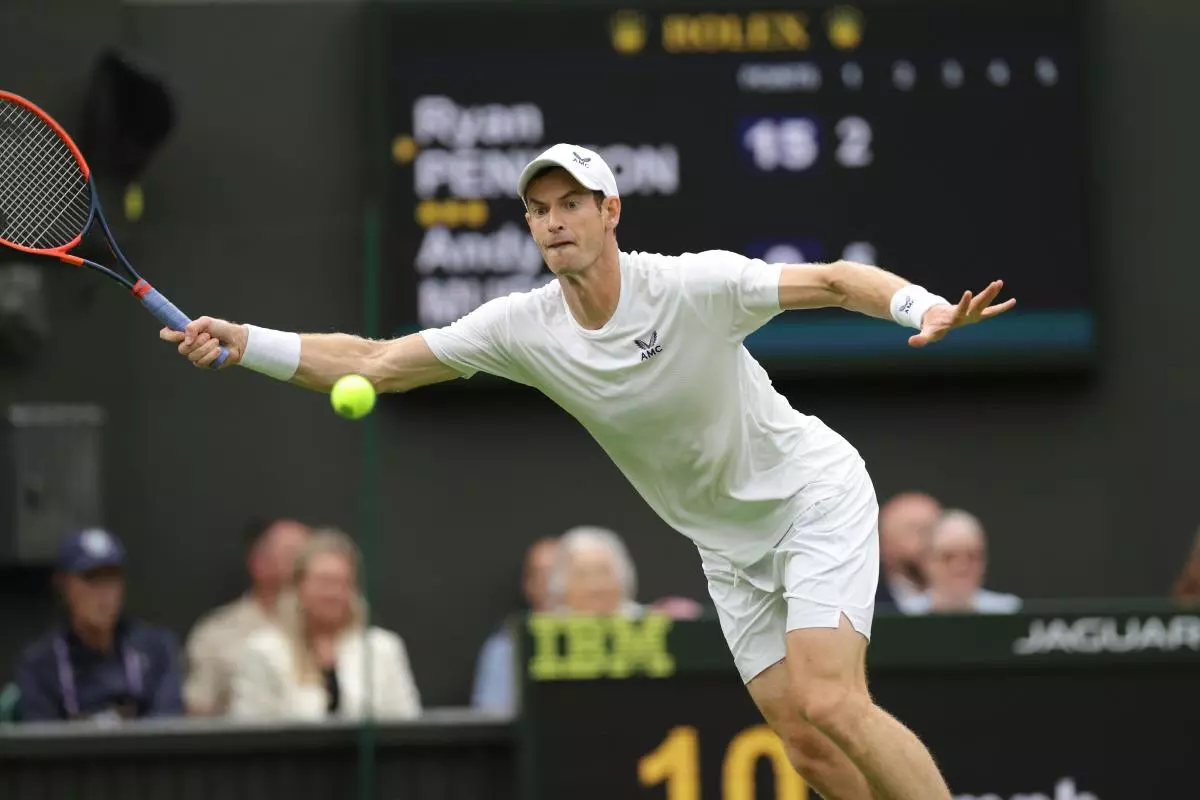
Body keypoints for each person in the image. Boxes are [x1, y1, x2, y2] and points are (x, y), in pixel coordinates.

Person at [162, 142, 1015, 799]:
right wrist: (245, 344)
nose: (554, 220)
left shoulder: (692, 286)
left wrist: (922, 306)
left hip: (811, 497)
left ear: (611, 212)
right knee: (806, 743)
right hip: (727, 549)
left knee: (832, 701)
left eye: (572, 203)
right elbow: (376, 362)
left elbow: (832, 281)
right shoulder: (521, 326)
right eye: (539, 209)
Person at [229, 528, 421, 721]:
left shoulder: (382, 649)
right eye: (323, 582)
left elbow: (406, 726)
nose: (332, 592)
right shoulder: (263, 651)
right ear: (298, 586)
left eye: (342, 582)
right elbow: (250, 732)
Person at [13, 529, 184, 723]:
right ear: (63, 585)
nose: (104, 593)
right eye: (92, 578)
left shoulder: (157, 648)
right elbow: (42, 743)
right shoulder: (40, 664)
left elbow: (167, 729)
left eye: (111, 577)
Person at [183, 516, 312, 716]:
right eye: (295, 556)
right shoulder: (215, 635)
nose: (307, 567)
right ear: (259, 563)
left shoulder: (327, 629)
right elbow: (198, 715)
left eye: (312, 557)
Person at [471, 535, 558, 714]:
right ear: (528, 585)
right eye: (541, 574)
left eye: (558, 573)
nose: (551, 583)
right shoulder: (506, 646)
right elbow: (491, 719)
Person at [905, 509, 1022, 615]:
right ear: (927, 562)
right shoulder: (906, 614)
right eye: (948, 557)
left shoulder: (1008, 612)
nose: (961, 567)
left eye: (972, 557)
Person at [876, 492, 942, 613]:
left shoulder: (975, 603)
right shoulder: (866, 605)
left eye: (937, 530)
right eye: (920, 531)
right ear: (884, 542)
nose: (931, 541)